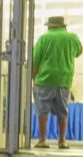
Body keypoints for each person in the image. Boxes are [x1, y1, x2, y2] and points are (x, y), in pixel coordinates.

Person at [31, 15, 82, 149]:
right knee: (62, 111)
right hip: (64, 79)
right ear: (64, 26)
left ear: (49, 26)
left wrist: (33, 78)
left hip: (44, 79)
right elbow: (78, 52)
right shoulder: (72, 38)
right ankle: (62, 140)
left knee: (43, 111)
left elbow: (35, 60)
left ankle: (42, 140)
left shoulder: (43, 38)